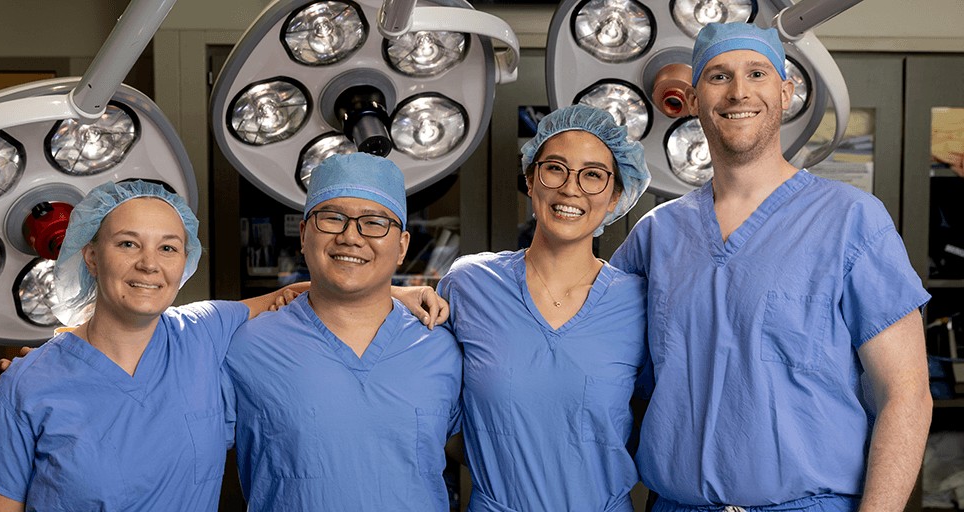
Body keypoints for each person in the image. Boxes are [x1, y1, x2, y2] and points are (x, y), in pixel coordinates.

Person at [610, 22, 932, 512]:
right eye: (718, 76)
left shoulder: (850, 220)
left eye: (756, 73)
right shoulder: (656, 235)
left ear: (785, 93)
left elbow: (906, 393)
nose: (739, 91)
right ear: (693, 99)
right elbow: (582, 339)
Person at [0, 180, 284, 511]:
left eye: (167, 248)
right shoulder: (25, 384)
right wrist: (27, 377)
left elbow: (306, 296)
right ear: (92, 257)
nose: (149, 264)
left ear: (186, 260)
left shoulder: (204, 331)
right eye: (128, 243)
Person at [433, 104, 651, 511]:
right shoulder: (471, 285)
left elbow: (660, 421)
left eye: (593, 175)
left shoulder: (637, 303)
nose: (571, 188)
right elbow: (420, 400)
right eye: (555, 168)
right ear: (531, 179)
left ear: (616, 196)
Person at [223, 153, 463, 510]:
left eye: (374, 222)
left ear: (402, 247)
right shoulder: (247, 347)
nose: (351, 236)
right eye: (332, 218)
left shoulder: (440, 348)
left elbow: (492, 456)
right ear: (304, 235)